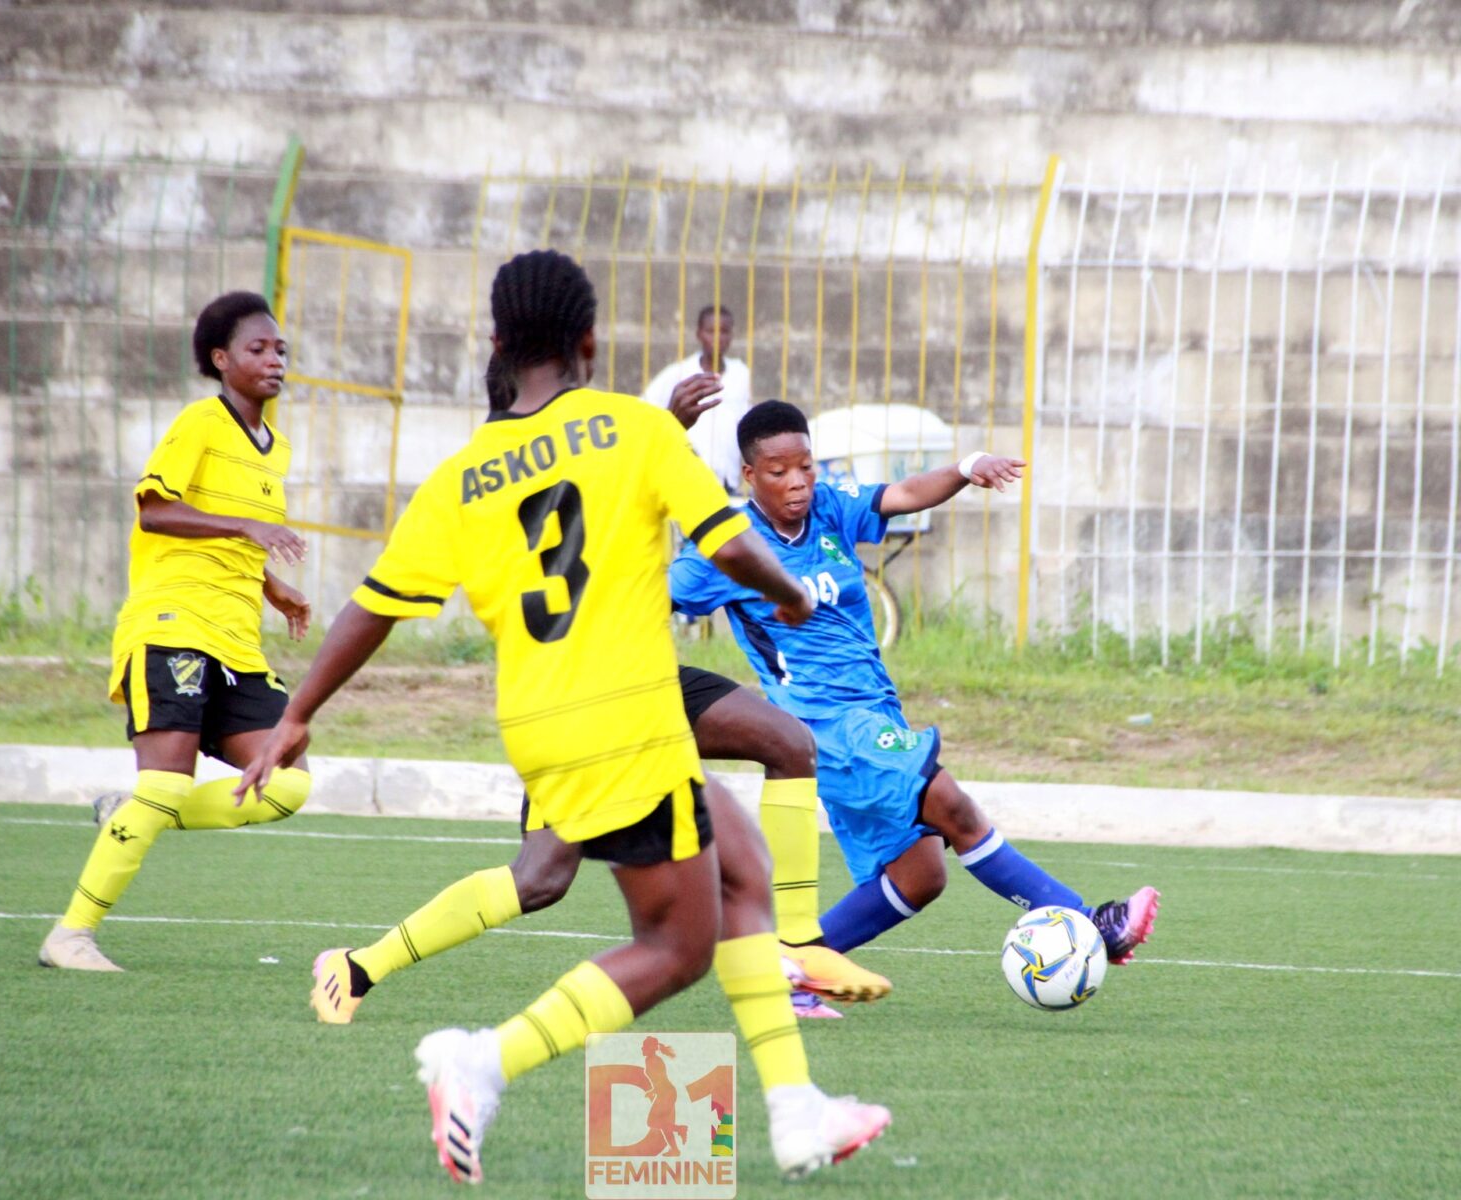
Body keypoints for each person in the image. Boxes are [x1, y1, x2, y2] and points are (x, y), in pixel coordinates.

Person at [239, 251, 889, 1184]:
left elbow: (371, 606)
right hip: (629, 712)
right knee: (677, 946)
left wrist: (298, 712)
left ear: (500, 343)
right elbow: (733, 545)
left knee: (740, 864)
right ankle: (482, 1060)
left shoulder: (463, 475)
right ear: (589, 342)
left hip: (543, 728)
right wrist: (791, 594)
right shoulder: (632, 427)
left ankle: (795, 1111)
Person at [303, 370, 887, 1030]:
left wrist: (668, 423)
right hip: (575, 703)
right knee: (540, 879)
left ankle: (798, 945)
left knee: (787, 742)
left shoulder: (595, 441)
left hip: (649, 684)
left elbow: (634, 474)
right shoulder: (494, 477)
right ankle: (358, 966)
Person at [669, 400, 1160, 968]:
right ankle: (1091, 924)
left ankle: (795, 969)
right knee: (953, 804)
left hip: (875, 713)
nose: (798, 482)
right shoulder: (726, 544)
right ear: (750, 476)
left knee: (920, 873)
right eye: (779, 473)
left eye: (805, 466)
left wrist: (965, 467)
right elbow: (656, 598)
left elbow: (901, 495)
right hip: (824, 725)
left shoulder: (829, 508)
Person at [37, 291, 314, 972]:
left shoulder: (273, 448)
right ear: (221, 360)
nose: (274, 359)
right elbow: (156, 510)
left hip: (235, 640)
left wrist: (272, 586)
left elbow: (227, 541)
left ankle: (133, 814)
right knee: (165, 780)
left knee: (286, 783)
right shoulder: (200, 423)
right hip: (172, 625)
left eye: (280, 349)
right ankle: (70, 935)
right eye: (258, 348)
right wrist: (248, 526)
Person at [641, 305, 750, 490]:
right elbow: (644, 407)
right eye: (711, 331)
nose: (718, 338)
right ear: (699, 334)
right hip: (688, 477)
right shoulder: (679, 372)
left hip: (727, 479)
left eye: (724, 332)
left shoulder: (741, 373)